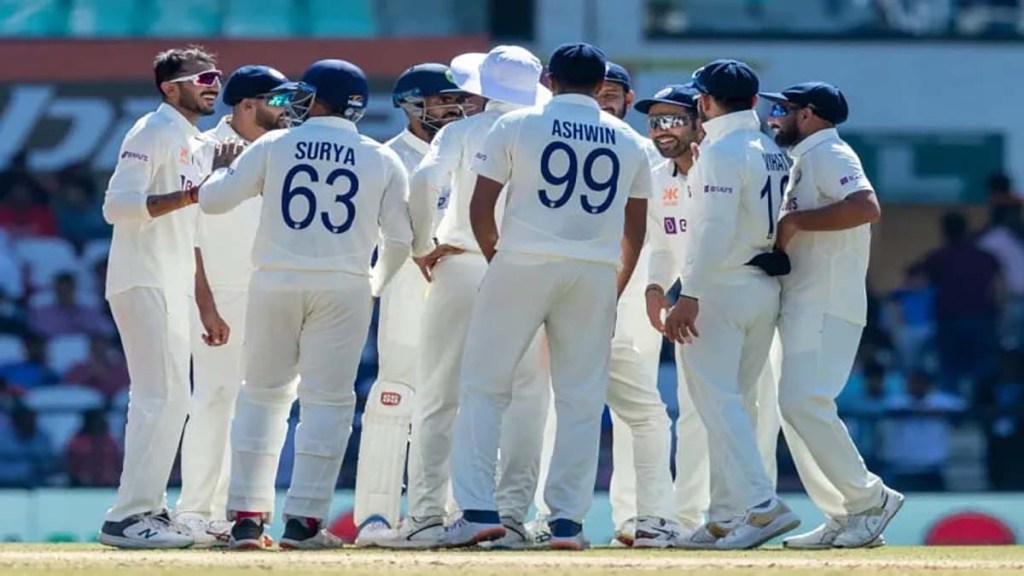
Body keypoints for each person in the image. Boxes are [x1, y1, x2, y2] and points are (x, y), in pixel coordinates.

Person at [197, 59, 423, 550]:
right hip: (344, 284)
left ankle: (247, 520)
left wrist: (220, 172)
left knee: (260, 394)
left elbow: (214, 202)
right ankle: (304, 522)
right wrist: (375, 283)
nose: (296, 101)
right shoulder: (381, 158)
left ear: (321, 99)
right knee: (328, 403)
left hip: (275, 278)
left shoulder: (275, 144)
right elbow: (401, 240)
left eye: (305, 94)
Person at [444, 42, 651, 550]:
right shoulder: (629, 138)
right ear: (601, 84)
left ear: (551, 80)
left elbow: (480, 207)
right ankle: (567, 523)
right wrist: (614, 284)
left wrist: (501, 262)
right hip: (595, 271)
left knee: (484, 386)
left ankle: (476, 509)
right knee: (581, 399)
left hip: (522, 261)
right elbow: (637, 227)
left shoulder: (515, 125)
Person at [379, 45, 552, 551]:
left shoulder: (461, 131)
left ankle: (429, 516)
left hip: (462, 261)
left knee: (438, 395)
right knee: (526, 398)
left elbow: (425, 179)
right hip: (527, 270)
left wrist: (421, 246)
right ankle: (516, 517)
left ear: (480, 90)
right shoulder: (543, 129)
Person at [531, 63, 677, 548]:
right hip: (582, 290)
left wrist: (656, 286)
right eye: (600, 92)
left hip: (633, 295)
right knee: (557, 407)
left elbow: (658, 238)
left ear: (628, 98)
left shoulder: (645, 155)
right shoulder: (586, 145)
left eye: (613, 94)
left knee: (637, 410)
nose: (604, 100)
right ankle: (546, 516)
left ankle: (640, 518)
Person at [633, 83, 781, 544]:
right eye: (655, 121)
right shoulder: (660, 177)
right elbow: (664, 241)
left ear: (701, 115)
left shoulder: (721, 159)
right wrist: (657, 286)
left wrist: (690, 293)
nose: (662, 130)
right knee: (716, 408)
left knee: (726, 405)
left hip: (723, 291)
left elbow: (713, 235)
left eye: (673, 119)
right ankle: (721, 515)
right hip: (718, 293)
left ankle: (759, 504)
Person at [762, 81, 902, 549]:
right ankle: (846, 514)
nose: (774, 116)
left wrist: (796, 222)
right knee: (795, 408)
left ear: (809, 115)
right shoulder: (808, 157)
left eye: (782, 108)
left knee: (805, 403)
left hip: (826, 302)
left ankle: (869, 501)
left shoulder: (829, 153)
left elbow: (866, 207)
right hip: (806, 300)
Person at [98, 45, 226, 549]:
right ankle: (127, 517)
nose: (213, 84)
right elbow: (116, 206)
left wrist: (206, 305)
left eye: (216, 76)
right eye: (203, 78)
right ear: (170, 89)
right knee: (159, 397)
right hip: (142, 277)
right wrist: (191, 194)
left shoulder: (197, 144)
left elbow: (190, 235)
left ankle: (148, 509)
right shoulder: (151, 131)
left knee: (173, 399)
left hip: (171, 282)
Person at [175, 64, 291, 547]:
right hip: (220, 296)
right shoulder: (204, 150)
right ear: (247, 105)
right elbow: (189, 237)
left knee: (272, 402)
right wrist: (204, 303)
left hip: (273, 292)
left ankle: (249, 511)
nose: (288, 112)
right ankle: (196, 512)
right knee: (215, 398)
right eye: (278, 102)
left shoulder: (286, 149)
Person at [354, 62, 468, 546]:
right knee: (393, 397)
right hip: (404, 287)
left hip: (460, 288)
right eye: (439, 100)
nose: (448, 108)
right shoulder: (389, 156)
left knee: (452, 403)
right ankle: (374, 516)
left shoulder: (469, 148)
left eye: (452, 100)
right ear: (410, 104)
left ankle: (440, 512)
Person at [910, 212, 1001, 395]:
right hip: (981, 320)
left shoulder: (938, 257)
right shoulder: (984, 256)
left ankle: (954, 414)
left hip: (949, 321)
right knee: (982, 370)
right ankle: (981, 411)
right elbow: (999, 288)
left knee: (949, 370)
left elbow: (916, 281)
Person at [29, 272, 112, 338]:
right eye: (61, 290)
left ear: (73, 289)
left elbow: (106, 330)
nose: (64, 293)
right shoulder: (43, 314)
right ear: (55, 290)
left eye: (67, 289)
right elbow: (37, 334)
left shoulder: (88, 312)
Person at [65, 408, 122, 487]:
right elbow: (69, 466)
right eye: (96, 420)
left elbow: (118, 464)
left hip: (110, 486)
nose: (99, 423)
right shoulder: (77, 443)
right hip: (81, 486)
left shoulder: (110, 441)